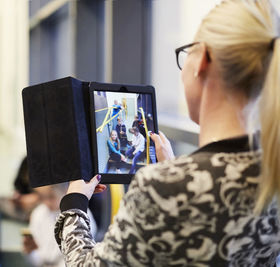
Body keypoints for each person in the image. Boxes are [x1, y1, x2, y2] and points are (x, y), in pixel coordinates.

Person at [54, 0, 280, 265]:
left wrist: (74, 204)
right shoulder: (271, 172)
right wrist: (176, 171)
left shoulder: (161, 187)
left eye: (186, 54)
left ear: (203, 60)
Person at [23, 183, 97, 267]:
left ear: (65, 191)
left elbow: (80, 257)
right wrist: (31, 251)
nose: (46, 202)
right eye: (42, 197)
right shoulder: (38, 213)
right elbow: (38, 261)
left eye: (51, 197)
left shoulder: (79, 214)